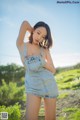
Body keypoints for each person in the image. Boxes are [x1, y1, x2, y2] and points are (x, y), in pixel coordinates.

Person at [16, 20, 58, 120]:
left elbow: (53, 70)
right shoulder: (21, 45)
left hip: (49, 85)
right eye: (38, 33)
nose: (39, 38)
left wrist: (42, 62)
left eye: (43, 36)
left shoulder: (44, 49)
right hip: (33, 86)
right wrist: (33, 31)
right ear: (34, 30)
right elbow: (25, 24)